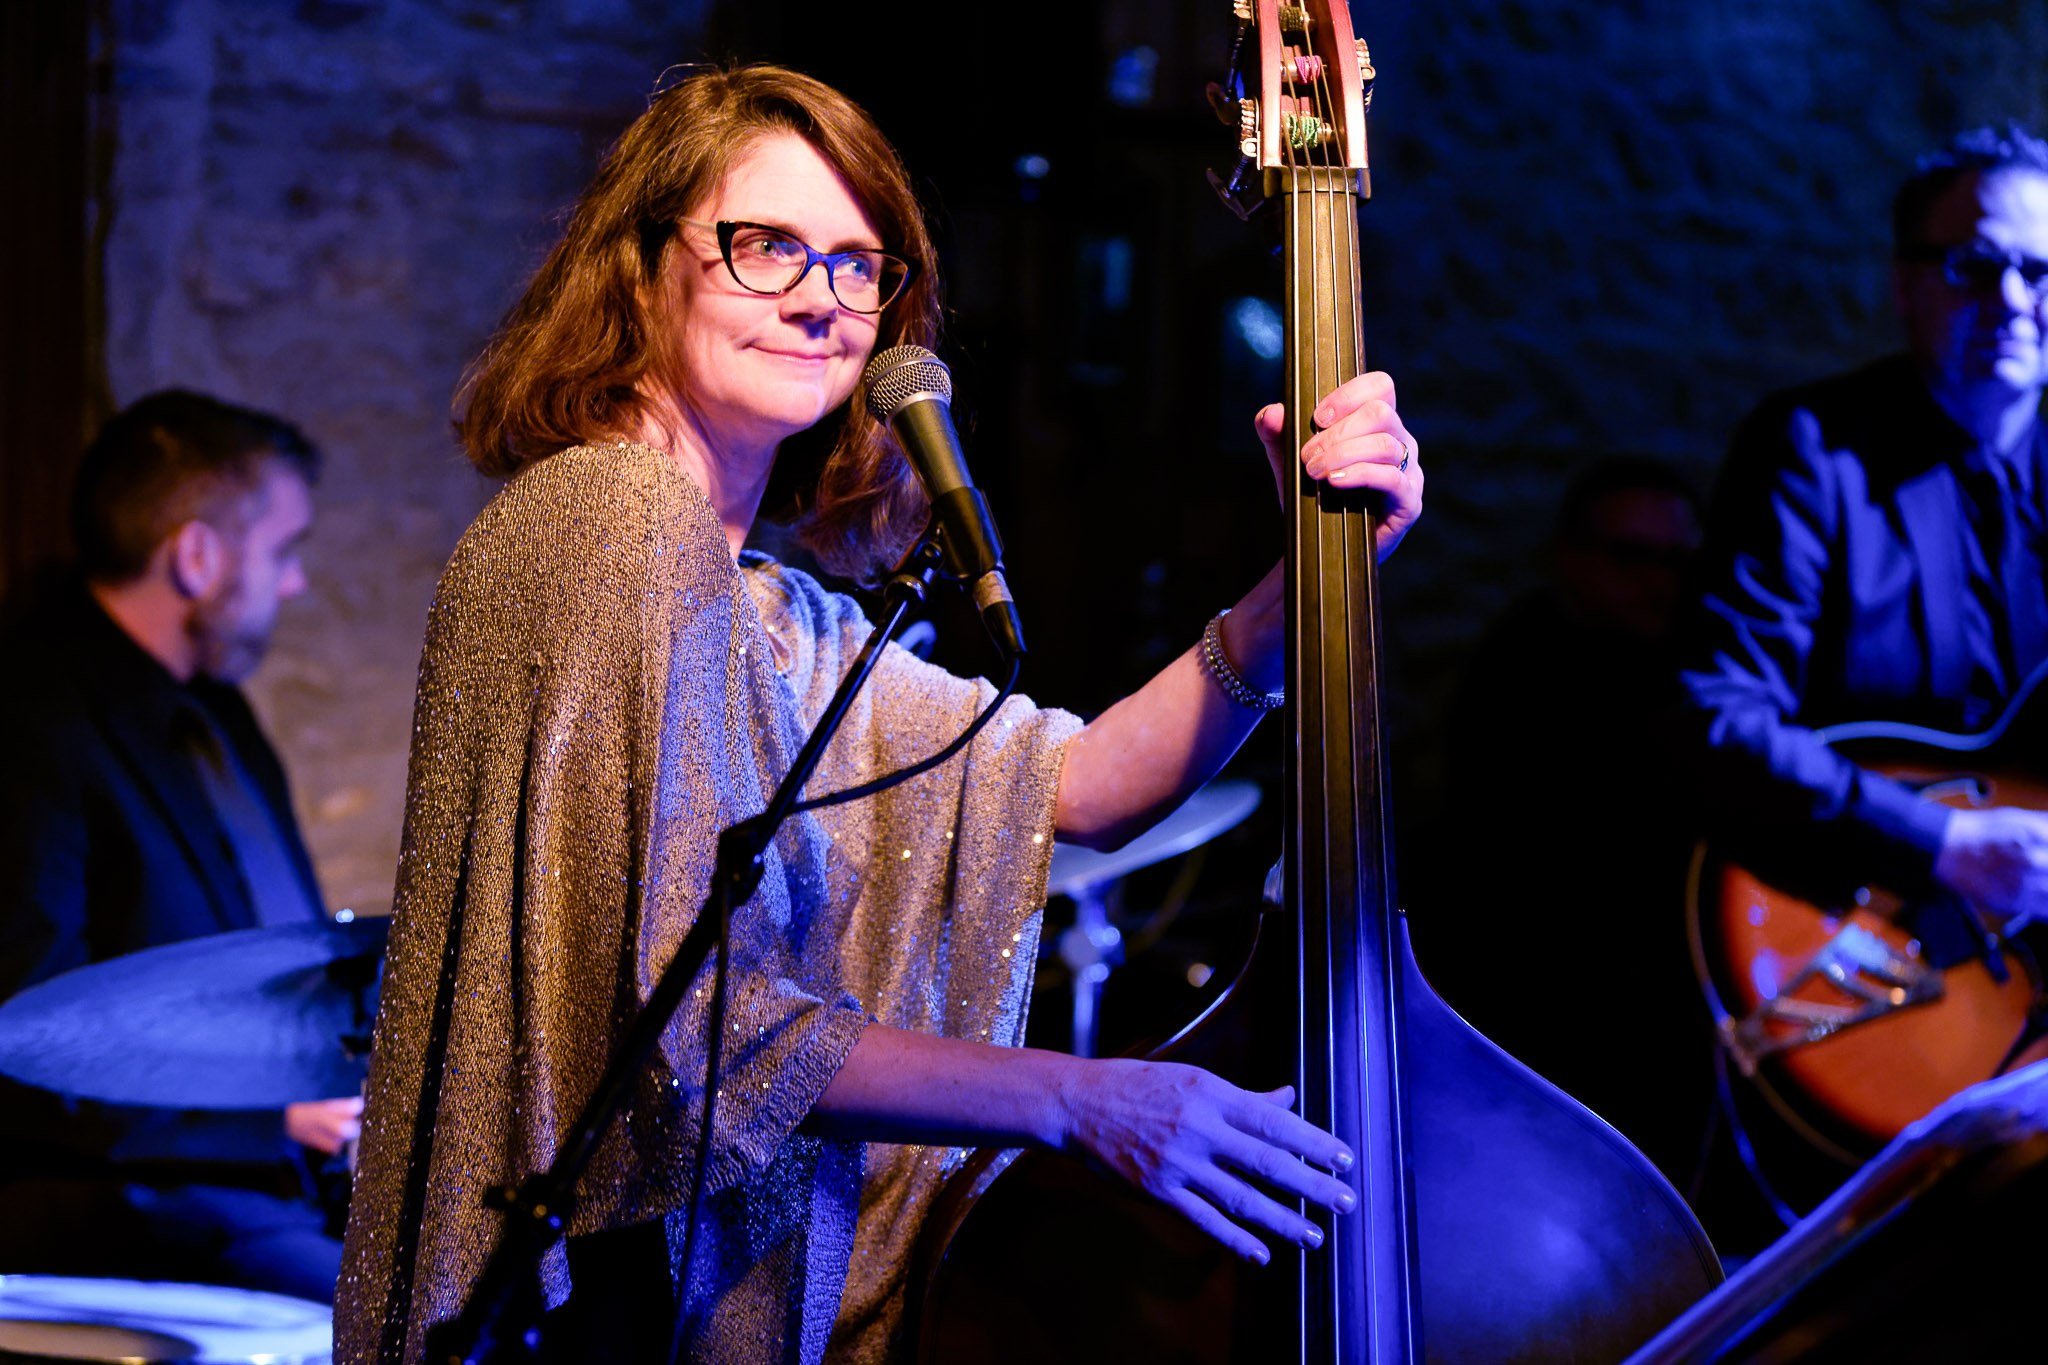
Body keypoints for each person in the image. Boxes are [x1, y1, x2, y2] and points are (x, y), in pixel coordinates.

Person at [336, 65, 1422, 1365]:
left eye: (863, 266)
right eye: (766, 247)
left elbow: (1075, 788)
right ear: (640, 268)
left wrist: (1305, 575)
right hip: (593, 1325)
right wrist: (1084, 1099)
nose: (822, 299)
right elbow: (686, 1023)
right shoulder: (610, 524)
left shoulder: (766, 615)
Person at [1678, 124, 2048, 1235]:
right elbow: (1713, 714)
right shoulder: (1812, 450)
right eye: (1974, 265)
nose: (2013, 299)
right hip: (1857, 936)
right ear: (1902, 285)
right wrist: (1938, 843)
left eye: (2040, 269)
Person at [0, 390, 362, 1303]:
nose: (294, 584)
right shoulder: (30, 721)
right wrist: (273, 1116)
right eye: (281, 551)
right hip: (135, 1204)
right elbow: (24, 1035)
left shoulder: (223, 717)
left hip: (260, 1189)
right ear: (196, 556)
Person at [1414, 456, 1710, 1192]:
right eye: (1633, 555)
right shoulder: (1529, 666)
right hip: (1540, 1023)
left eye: (1680, 559)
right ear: (1570, 557)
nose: (1660, 579)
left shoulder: (1678, 667)